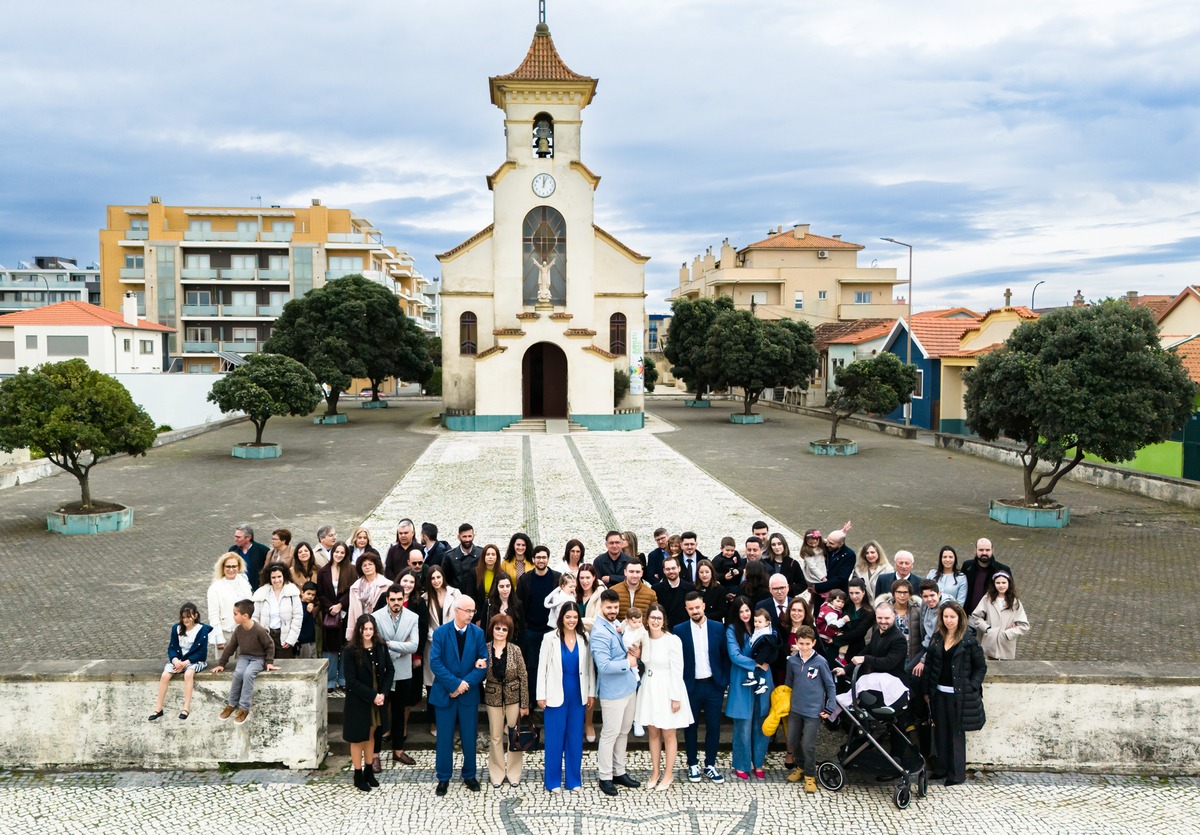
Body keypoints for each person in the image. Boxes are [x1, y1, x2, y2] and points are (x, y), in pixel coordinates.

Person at [922, 600, 987, 785]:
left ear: (960, 618)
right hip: (938, 693)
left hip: (958, 696)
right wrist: (926, 691)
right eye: (946, 616)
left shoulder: (968, 641)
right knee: (940, 732)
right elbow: (929, 666)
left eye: (952, 617)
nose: (949, 620)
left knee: (956, 734)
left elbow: (980, 667)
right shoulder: (938, 637)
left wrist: (971, 686)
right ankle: (941, 769)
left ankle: (956, 774)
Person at [429, 597, 488, 796]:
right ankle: (443, 777)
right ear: (456, 611)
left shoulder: (478, 633)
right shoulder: (440, 633)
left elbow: (483, 663)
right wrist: (453, 684)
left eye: (473, 611)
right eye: (467, 611)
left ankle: (470, 775)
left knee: (469, 737)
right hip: (445, 694)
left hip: (467, 695)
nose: (471, 615)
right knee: (444, 738)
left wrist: (463, 686)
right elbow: (435, 663)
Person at [635, 604, 692, 791]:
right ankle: (655, 772)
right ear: (647, 619)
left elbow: (677, 670)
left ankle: (668, 774)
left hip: (667, 688)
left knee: (668, 733)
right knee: (653, 732)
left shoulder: (672, 640)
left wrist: (675, 697)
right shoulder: (643, 639)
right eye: (652, 617)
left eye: (659, 618)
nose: (655, 621)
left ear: (664, 620)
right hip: (649, 687)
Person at [538, 602, 595, 793]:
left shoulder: (584, 637)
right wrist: (541, 694)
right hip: (555, 692)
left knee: (575, 737)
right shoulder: (549, 638)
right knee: (554, 738)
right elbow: (542, 668)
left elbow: (589, 668)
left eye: (575, 617)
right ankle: (552, 781)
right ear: (561, 617)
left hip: (578, 693)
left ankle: (573, 780)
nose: (572, 620)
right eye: (568, 617)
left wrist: (591, 692)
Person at [591, 589, 642, 796]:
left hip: (629, 687)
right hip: (612, 692)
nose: (613, 611)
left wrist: (636, 653)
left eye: (615, 607)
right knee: (610, 734)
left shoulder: (617, 624)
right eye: (609, 607)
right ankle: (605, 776)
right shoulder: (599, 631)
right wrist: (628, 663)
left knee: (623, 732)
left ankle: (619, 771)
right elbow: (603, 666)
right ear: (601, 607)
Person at [674, 592, 729, 784]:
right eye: (691, 609)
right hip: (692, 686)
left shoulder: (718, 627)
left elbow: (724, 656)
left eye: (697, 607)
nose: (695, 611)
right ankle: (692, 764)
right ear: (686, 609)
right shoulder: (679, 630)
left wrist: (723, 681)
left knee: (714, 726)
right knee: (691, 727)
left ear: (704, 606)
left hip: (713, 685)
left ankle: (710, 764)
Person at [375, 572, 424, 766]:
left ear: (404, 599)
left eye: (399, 599)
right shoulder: (376, 617)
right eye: (393, 599)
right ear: (387, 599)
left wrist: (389, 645)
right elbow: (376, 644)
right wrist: (399, 648)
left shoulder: (413, 617)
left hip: (403, 672)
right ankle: (375, 755)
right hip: (383, 672)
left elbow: (414, 646)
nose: (396, 602)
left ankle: (398, 751)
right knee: (379, 714)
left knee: (399, 712)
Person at [342, 613, 394, 792]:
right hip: (359, 700)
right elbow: (351, 681)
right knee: (358, 738)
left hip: (377, 700)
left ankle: (369, 771)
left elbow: (390, 670)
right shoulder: (350, 651)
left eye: (371, 629)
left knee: (372, 735)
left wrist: (383, 694)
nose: (368, 632)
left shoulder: (380, 647)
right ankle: (358, 774)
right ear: (359, 629)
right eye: (365, 629)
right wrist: (373, 695)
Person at [783, 625, 835, 794]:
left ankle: (810, 775)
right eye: (801, 644)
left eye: (807, 644)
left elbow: (830, 685)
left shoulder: (821, 662)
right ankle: (800, 767)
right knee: (793, 740)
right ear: (796, 642)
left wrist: (829, 707)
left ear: (813, 643)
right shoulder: (792, 661)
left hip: (813, 711)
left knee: (808, 744)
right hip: (795, 709)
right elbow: (788, 683)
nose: (804, 647)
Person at [725, 596, 772, 779]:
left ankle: (758, 762)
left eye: (747, 610)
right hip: (742, 677)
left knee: (761, 720)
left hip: (763, 677)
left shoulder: (760, 624)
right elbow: (734, 655)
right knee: (743, 724)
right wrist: (756, 663)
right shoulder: (732, 630)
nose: (745, 614)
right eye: (741, 611)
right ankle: (741, 764)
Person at [212, 599, 279, 724]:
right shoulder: (238, 630)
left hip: (258, 658)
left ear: (245, 616)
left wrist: (269, 662)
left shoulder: (259, 630)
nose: (233, 616)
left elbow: (270, 645)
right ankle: (231, 704)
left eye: (235, 614)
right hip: (244, 657)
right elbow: (231, 647)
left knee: (248, 674)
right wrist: (222, 664)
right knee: (238, 673)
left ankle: (244, 708)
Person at [483, 613, 530, 787]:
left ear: (509, 632)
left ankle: (514, 772)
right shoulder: (484, 649)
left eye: (504, 629)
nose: (500, 632)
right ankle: (496, 772)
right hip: (493, 696)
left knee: (514, 735)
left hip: (513, 696)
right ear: (492, 629)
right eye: (498, 628)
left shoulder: (515, 650)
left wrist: (524, 704)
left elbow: (523, 676)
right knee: (495, 736)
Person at [148, 602, 212, 721]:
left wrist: (185, 663)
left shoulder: (202, 630)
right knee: (165, 675)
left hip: (194, 661)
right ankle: (158, 708)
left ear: (195, 616)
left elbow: (201, 652)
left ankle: (186, 708)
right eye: (183, 617)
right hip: (179, 660)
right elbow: (172, 647)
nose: (186, 620)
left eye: (188, 617)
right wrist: (175, 660)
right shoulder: (176, 629)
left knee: (188, 674)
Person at [421, 565, 462, 725]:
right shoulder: (425, 598)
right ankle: (434, 722)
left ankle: (452, 722)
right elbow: (425, 623)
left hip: (453, 643)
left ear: (443, 577)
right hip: (433, 644)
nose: (436, 581)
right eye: (432, 578)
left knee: (452, 681)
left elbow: (461, 616)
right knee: (433, 686)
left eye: (438, 577)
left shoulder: (455, 593)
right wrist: (437, 637)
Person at [516, 545, 561, 688]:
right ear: (533, 559)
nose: (541, 560)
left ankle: (549, 694)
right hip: (531, 629)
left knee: (552, 664)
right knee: (532, 666)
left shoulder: (557, 578)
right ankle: (532, 696)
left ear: (548, 559)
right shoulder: (525, 579)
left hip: (551, 629)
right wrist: (524, 627)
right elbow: (519, 605)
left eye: (544, 557)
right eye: (538, 557)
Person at [316, 541, 357, 692]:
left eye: (342, 552)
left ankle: (343, 679)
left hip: (346, 613)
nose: (339, 555)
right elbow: (320, 593)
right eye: (336, 552)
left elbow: (353, 591)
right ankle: (330, 680)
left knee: (346, 646)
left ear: (346, 554)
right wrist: (330, 608)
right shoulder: (323, 571)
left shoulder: (351, 570)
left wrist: (340, 605)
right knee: (330, 648)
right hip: (330, 614)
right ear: (332, 553)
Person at [969, 571, 1030, 660]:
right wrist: (987, 629)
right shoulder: (987, 599)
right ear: (994, 584)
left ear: (1009, 583)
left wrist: (1008, 634)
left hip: (1006, 645)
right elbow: (976, 616)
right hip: (990, 643)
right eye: (998, 583)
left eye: (1004, 582)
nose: (1001, 585)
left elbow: (1024, 625)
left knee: (1006, 666)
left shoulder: (1015, 602)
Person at [251, 562, 303, 659]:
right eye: (273, 577)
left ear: (284, 576)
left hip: (284, 638)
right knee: (266, 665)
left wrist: (290, 639)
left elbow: (297, 618)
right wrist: (259, 637)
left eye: (279, 576)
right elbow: (255, 618)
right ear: (269, 578)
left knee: (284, 665)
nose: (277, 580)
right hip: (266, 636)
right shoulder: (261, 593)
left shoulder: (292, 593)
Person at [207, 552, 253, 655]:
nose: (231, 569)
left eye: (234, 566)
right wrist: (219, 638)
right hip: (226, 634)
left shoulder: (244, 582)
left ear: (239, 567)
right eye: (228, 566)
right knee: (225, 663)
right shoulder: (215, 588)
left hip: (245, 631)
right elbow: (213, 615)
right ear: (222, 568)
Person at [850, 602, 907, 677]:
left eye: (887, 618)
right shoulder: (876, 633)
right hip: (876, 678)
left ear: (893, 617)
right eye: (879, 618)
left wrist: (865, 659)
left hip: (894, 680)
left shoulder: (899, 639)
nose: (883, 621)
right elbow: (865, 652)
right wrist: (845, 669)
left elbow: (889, 663)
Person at [830, 579, 874, 674]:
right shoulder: (845, 605)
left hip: (855, 648)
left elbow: (858, 633)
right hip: (836, 647)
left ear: (863, 592)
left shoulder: (869, 612)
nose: (854, 596)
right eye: (851, 593)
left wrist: (835, 640)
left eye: (857, 593)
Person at [344, 553, 392, 639]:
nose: (367, 567)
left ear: (376, 566)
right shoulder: (355, 587)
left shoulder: (387, 585)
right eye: (364, 565)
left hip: (380, 626)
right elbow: (352, 611)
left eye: (370, 564)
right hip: (361, 626)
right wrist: (350, 633)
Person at [963, 538, 1013, 615]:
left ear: (992, 550)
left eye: (987, 550)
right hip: (968, 615)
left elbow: (1010, 593)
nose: (984, 553)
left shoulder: (1002, 569)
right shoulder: (967, 566)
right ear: (975, 550)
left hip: (991, 617)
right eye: (981, 550)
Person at [744, 609, 780, 695]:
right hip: (760, 655)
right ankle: (759, 682)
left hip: (761, 655)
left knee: (760, 667)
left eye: (760, 622)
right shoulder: (759, 630)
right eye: (755, 621)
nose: (757, 624)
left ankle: (758, 682)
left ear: (767, 623)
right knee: (761, 668)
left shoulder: (766, 633)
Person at [652, 555, 694, 627]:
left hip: (684, 627)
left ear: (679, 568)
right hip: (665, 628)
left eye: (673, 568)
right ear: (664, 571)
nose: (671, 571)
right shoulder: (656, 589)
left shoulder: (690, 588)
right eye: (668, 569)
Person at [850, 540, 893, 607]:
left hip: (882, 606)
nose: (870, 555)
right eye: (867, 553)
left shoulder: (888, 569)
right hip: (864, 606)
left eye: (872, 552)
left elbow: (890, 591)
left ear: (878, 553)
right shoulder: (858, 569)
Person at [815, 529, 855, 597]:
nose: (827, 544)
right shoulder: (825, 547)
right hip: (818, 591)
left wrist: (819, 587)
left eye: (831, 543)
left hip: (837, 594)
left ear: (841, 544)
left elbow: (842, 578)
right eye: (827, 541)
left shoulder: (849, 555)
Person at [229, 524, 270, 591]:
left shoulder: (262, 550)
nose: (235, 539)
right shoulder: (233, 550)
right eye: (235, 536)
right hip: (237, 588)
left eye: (238, 537)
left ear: (248, 537)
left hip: (256, 589)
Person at [446, 523, 483, 599]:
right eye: (464, 536)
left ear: (474, 536)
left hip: (477, 598)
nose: (467, 539)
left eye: (469, 536)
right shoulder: (449, 556)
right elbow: (444, 579)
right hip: (456, 598)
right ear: (458, 537)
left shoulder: (481, 554)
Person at [472, 543, 503, 626]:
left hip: (495, 613)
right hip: (478, 613)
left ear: (497, 557)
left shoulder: (501, 574)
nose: (490, 557)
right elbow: (471, 595)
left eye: (493, 554)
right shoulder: (474, 573)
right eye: (488, 554)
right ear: (483, 557)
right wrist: (477, 617)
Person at [488, 574, 525, 638]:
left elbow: (522, 629)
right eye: (501, 586)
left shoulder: (518, 604)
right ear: (497, 587)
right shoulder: (489, 603)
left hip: (512, 642)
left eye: (508, 586)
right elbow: (484, 626)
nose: (505, 589)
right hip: (492, 641)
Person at [798, 529, 828, 597]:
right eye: (810, 543)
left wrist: (842, 532)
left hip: (821, 569)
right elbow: (812, 566)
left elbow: (832, 539)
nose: (813, 545)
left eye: (815, 542)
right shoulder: (807, 552)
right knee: (816, 594)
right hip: (813, 575)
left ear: (819, 540)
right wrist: (822, 577)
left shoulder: (822, 544)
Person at [576, 563, 605, 633]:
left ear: (594, 577)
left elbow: (597, 621)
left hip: (594, 635)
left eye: (588, 577)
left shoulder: (601, 594)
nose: (584, 581)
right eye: (581, 578)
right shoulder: (574, 594)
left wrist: (575, 621)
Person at [295, 582, 320, 659]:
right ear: (302, 592)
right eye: (308, 594)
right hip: (303, 641)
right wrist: (308, 611)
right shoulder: (298, 605)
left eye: (313, 595)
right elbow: (299, 621)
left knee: (314, 662)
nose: (310, 596)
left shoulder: (310, 605)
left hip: (311, 639)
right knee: (305, 662)